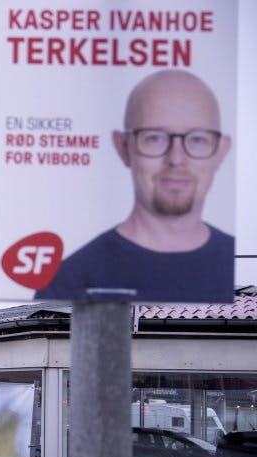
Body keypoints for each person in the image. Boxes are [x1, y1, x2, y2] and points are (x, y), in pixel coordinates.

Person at [36, 70, 234, 303]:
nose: (176, 159)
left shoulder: (235, 265)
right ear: (123, 146)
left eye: (198, 139)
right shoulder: (67, 283)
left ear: (221, 151)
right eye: (155, 137)